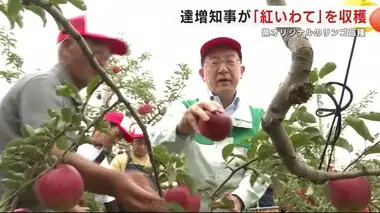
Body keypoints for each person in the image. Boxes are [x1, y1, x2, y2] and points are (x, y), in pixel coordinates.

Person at [0, 14, 162, 212]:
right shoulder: (43, 84)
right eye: (96, 54)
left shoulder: (68, 99)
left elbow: (55, 172)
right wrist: (115, 181)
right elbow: (48, 154)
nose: (102, 64)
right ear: (68, 47)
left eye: (107, 58)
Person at [150, 37, 274, 212]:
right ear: (202, 73)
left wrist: (239, 198)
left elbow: (263, 168)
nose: (223, 69)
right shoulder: (184, 110)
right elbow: (157, 149)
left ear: (242, 70)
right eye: (214, 62)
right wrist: (182, 128)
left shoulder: (258, 118)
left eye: (230, 61)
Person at [76, 111, 134, 212]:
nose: (116, 141)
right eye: (117, 134)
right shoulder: (74, 135)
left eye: (120, 138)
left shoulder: (101, 160)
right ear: (106, 124)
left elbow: (108, 197)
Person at [110, 123, 155, 212]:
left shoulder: (156, 163)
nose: (142, 147)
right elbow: (110, 185)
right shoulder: (121, 159)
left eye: (146, 143)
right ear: (132, 142)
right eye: (139, 142)